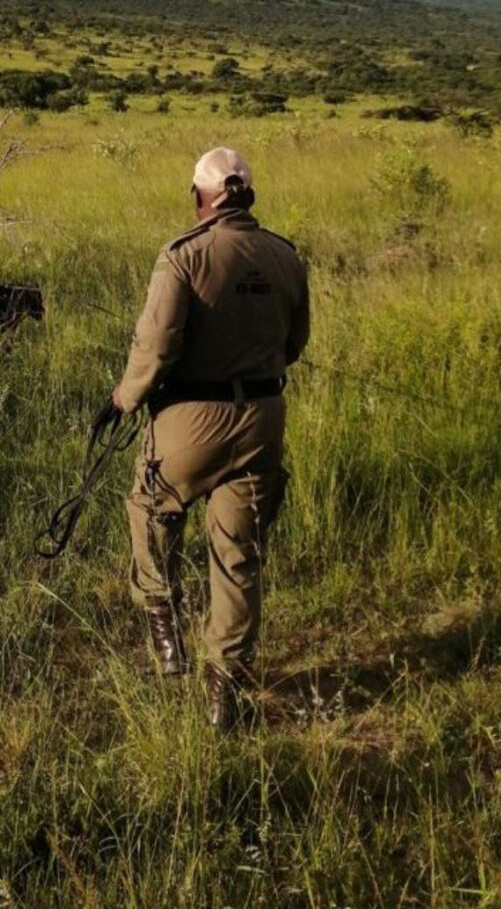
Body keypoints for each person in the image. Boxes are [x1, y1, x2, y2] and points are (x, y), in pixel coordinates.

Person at [112, 147, 310, 730]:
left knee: (152, 507)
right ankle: (225, 690)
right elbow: (295, 344)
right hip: (262, 420)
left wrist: (123, 398)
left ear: (201, 197)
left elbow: (155, 350)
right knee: (239, 557)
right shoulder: (285, 256)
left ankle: (165, 632)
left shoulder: (183, 256)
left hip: (190, 421)